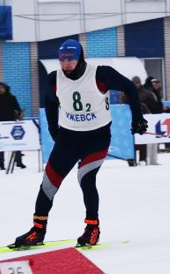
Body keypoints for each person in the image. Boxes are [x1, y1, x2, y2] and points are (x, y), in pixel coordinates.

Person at [12, 40, 147, 248]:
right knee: (48, 183)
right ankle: (38, 230)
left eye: (71, 60)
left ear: (80, 58)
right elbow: (49, 102)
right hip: (69, 138)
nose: (66, 64)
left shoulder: (100, 73)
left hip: (97, 138)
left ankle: (92, 228)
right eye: (62, 60)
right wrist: (53, 130)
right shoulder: (54, 78)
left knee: (85, 178)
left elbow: (130, 87)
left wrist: (137, 118)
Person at [0, 82, 25, 169]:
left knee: (16, 143)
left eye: (1, 88)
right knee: (1, 144)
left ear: (5, 89)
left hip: (11, 124)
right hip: (0, 125)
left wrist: (20, 114)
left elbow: (17, 109)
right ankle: (1, 164)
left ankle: (19, 162)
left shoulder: (12, 98)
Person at [124, 76, 150, 166]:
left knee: (142, 138)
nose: (136, 85)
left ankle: (143, 159)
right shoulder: (128, 91)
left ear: (140, 83)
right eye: (134, 83)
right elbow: (123, 101)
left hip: (142, 118)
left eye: (137, 83)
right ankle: (132, 159)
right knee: (131, 140)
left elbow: (142, 101)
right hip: (130, 119)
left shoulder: (145, 92)